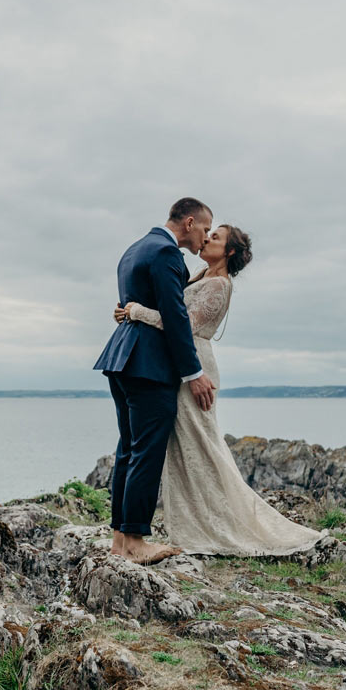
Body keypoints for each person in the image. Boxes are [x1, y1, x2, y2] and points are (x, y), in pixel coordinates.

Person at [114, 224, 324, 557]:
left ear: (228, 252)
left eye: (216, 237)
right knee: (182, 445)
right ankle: (189, 519)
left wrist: (137, 312)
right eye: (208, 233)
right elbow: (169, 306)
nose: (207, 238)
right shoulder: (197, 274)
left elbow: (186, 324)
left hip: (195, 366)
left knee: (203, 443)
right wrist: (131, 312)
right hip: (174, 363)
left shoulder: (218, 285)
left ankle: (224, 521)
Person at [93, 198, 218, 565]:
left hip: (121, 358)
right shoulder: (166, 254)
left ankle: (119, 539)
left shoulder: (134, 249)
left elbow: (134, 305)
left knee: (129, 448)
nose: (205, 237)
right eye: (206, 229)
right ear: (190, 222)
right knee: (147, 450)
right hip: (148, 365)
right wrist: (193, 374)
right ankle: (134, 541)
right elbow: (175, 317)